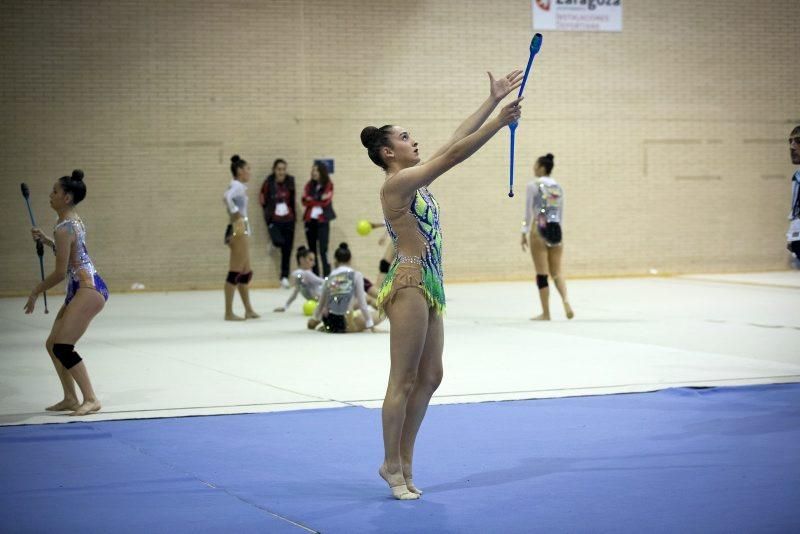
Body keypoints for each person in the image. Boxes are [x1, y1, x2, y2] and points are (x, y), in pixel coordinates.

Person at [360, 68, 524, 500]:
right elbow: (453, 156)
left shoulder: (417, 179)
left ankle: (406, 461)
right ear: (387, 152)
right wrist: (499, 123)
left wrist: (490, 102)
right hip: (410, 283)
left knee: (431, 375)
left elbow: (452, 144)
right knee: (404, 378)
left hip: (431, 284)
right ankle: (391, 464)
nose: (414, 140)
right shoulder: (397, 184)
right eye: (405, 136)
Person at [25, 170, 109, 416]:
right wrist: (48, 241)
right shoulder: (69, 222)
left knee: (63, 346)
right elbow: (73, 253)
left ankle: (91, 399)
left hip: (88, 288)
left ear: (67, 197)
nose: (50, 195)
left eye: (55, 191)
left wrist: (35, 291)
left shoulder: (65, 227)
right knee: (53, 344)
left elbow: (60, 272)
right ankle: (71, 397)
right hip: (80, 287)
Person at [521, 153, 574, 320]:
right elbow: (561, 213)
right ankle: (565, 301)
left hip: (540, 227)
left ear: (542, 168)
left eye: (535, 166)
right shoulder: (558, 187)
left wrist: (524, 231)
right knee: (557, 272)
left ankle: (546, 313)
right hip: (556, 229)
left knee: (542, 273)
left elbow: (528, 212)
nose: (533, 168)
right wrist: (560, 232)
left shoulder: (533, 185)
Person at [307, 243, 380, 333]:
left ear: (335, 260)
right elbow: (362, 304)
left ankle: (326, 326)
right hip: (345, 323)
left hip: (329, 322)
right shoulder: (356, 275)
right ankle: (348, 326)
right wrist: (370, 325)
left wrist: (314, 318)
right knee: (383, 313)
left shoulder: (330, 277)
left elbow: (321, 303)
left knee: (340, 303)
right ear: (350, 260)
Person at [223, 155, 260, 321]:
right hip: (238, 228)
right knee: (235, 272)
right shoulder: (236, 185)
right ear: (239, 171)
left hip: (241, 227)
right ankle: (228, 312)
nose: (249, 172)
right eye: (247, 169)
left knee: (245, 272)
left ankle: (248, 309)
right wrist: (236, 215)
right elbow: (227, 197)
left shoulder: (239, 186)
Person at [259, 158, 297, 289]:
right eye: (279, 169)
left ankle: (284, 277)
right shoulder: (268, 183)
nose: (281, 172)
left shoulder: (290, 181)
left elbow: (293, 199)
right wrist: (268, 215)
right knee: (278, 241)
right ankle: (273, 242)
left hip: (288, 218)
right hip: (274, 219)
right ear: (274, 170)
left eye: (283, 169)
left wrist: (294, 217)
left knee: (287, 250)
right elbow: (262, 199)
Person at [302, 161, 336, 276]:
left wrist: (312, 199)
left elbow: (326, 201)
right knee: (312, 250)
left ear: (322, 172)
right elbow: (304, 200)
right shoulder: (308, 185)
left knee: (323, 250)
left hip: (322, 221)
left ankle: (326, 275)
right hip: (310, 221)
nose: (313, 172)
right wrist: (318, 198)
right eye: (312, 170)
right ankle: (314, 275)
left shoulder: (328, 184)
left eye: (316, 170)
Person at [273, 246, 323, 312]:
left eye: (314, 260)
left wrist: (285, 306)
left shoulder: (303, 274)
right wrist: (285, 307)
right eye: (310, 260)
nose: (314, 263)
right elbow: (295, 293)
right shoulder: (305, 274)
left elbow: (295, 293)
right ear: (301, 259)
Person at [786, 126, 800, 263]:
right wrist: (793, 236)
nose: (792, 146)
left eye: (798, 141)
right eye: (790, 141)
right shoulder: (797, 176)